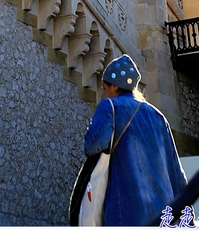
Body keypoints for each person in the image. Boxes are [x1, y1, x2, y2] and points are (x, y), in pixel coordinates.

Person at [77, 54, 186, 226]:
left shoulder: (110, 107)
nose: (104, 94)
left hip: (127, 215)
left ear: (114, 86)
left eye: (104, 88)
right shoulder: (159, 117)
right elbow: (177, 175)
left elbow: (91, 146)